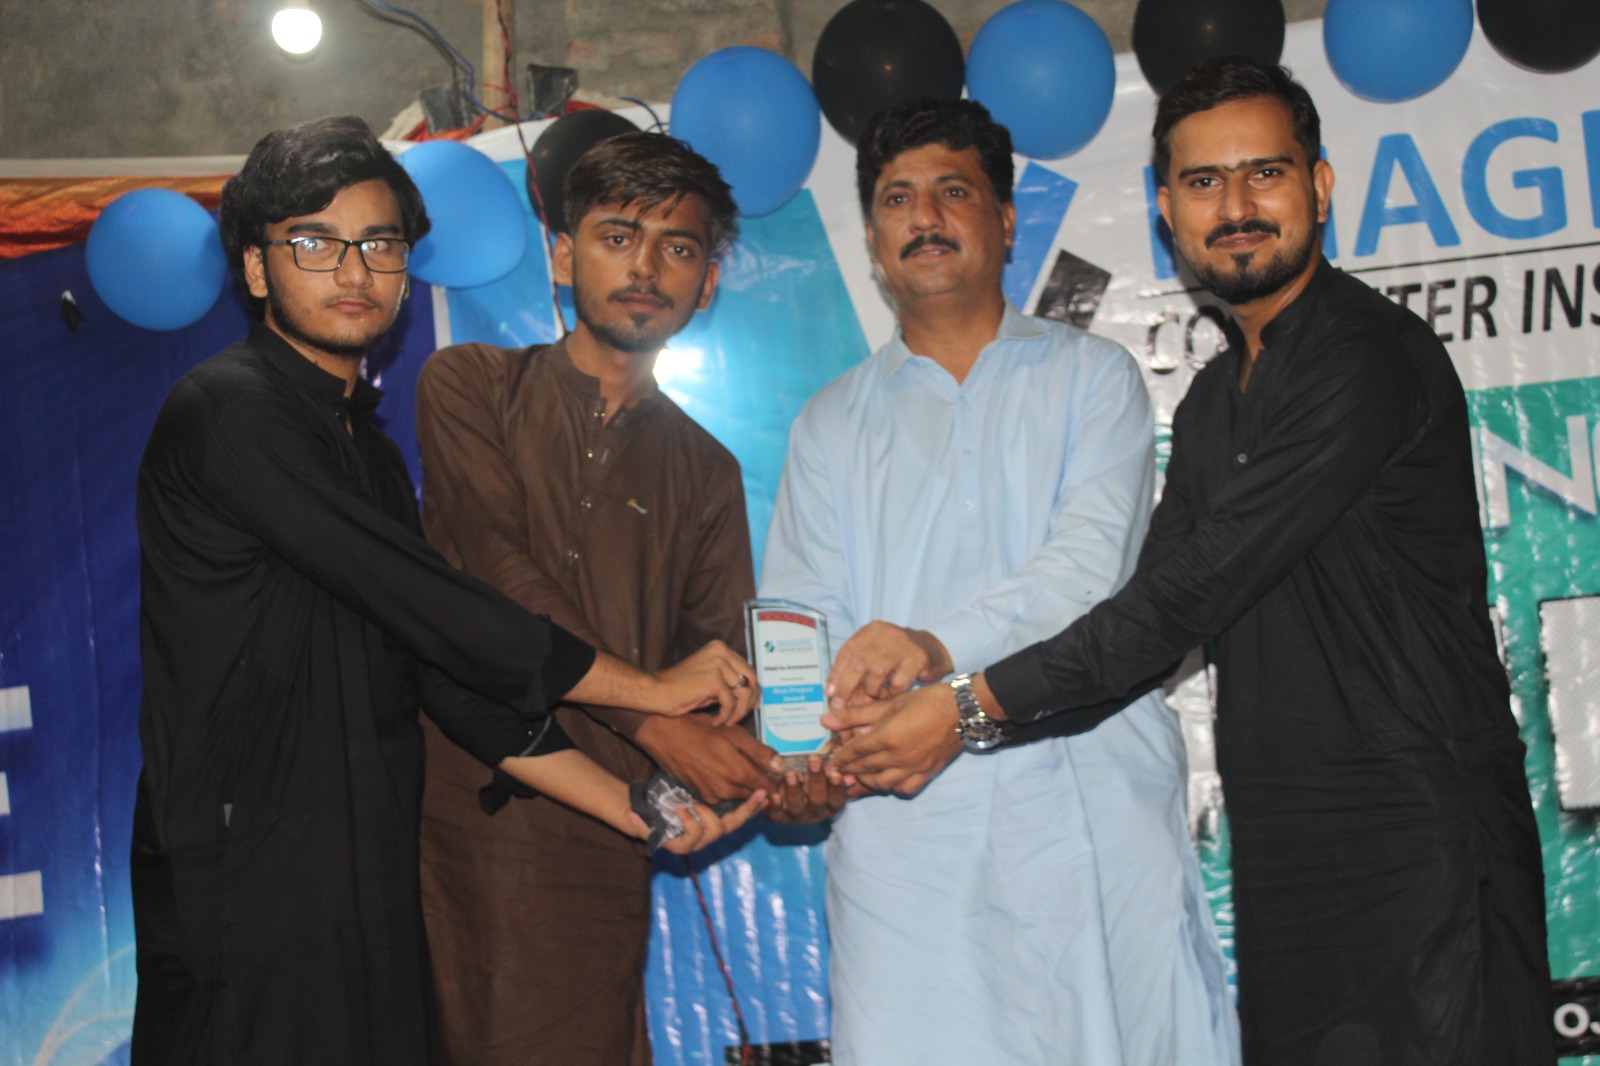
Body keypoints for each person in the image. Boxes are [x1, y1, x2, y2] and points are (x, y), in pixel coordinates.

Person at [830, 59, 1554, 1065]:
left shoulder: (1363, 355)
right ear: (1167, 210)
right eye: (1205, 182)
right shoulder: (1215, 401)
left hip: (1420, 841)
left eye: (1265, 174)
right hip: (1287, 853)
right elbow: (1138, 622)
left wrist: (960, 708)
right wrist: (934, 722)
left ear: (1319, 187)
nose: (1237, 206)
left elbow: (1184, 597)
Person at [131, 115, 764, 1066]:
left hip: (369, 869)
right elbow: (450, 609)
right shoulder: (228, 411)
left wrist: (635, 806)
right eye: (315, 243)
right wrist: (650, 695)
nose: (353, 272)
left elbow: (445, 675)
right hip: (250, 875)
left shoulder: (370, 456)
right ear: (257, 269)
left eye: (379, 244)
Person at [761, 97, 1237, 1066]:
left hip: (1089, 799)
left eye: (953, 191)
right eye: (897, 198)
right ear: (871, 236)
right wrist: (806, 762)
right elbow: (805, 626)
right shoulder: (829, 424)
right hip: (906, 834)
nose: (924, 217)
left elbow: (1087, 575)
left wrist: (929, 648)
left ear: (1006, 220)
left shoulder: (1092, 377)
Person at [414, 131, 835, 1065]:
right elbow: (493, 577)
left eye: (678, 247)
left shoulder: (705, 472)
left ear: (708, 283)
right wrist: (652, 717)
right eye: (618, 237)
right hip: (446, 809)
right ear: (564, 255)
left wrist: (781, 776)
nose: (646, 268)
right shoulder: (469, 386)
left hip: (596, 840)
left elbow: (715, 683)